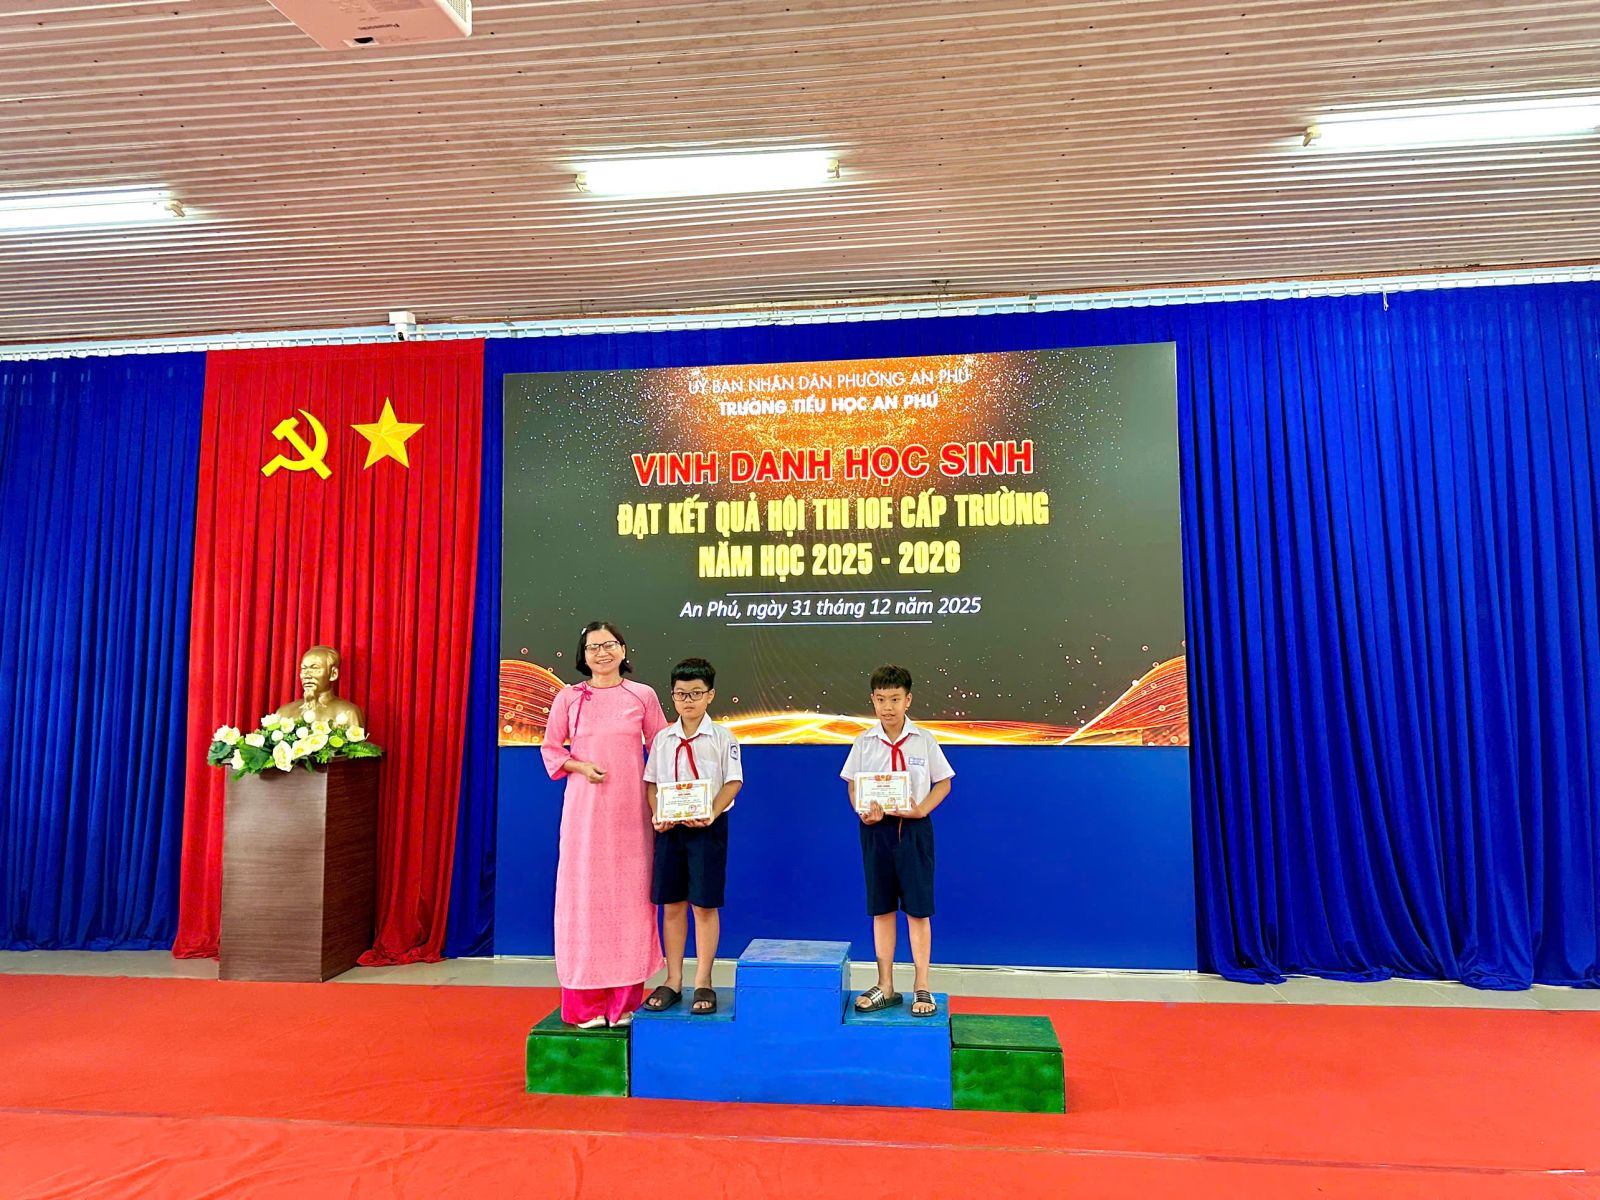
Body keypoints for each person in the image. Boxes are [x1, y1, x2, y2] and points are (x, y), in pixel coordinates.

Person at [540, 621, 668, 1028]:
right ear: (583, 655)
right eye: (593, 647)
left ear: (623, 650)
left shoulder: (642, 695)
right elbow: (551, 748)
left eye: (609, 644)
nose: (602, 653)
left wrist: (671, 800)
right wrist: (579, 766)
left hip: (632, 815)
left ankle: (624, 1003)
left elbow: (662, 748)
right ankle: (585, 1005)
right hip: (585, 816)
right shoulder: (568, 698)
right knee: (583, 901)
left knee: (631, 901)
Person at [840, 664, 954, 1018]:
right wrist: (862, 810)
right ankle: (885, 985)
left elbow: (944, 782)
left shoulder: (924, 740)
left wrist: (921, 810)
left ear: (908, 700)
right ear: (872, 701)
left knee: (918, 910)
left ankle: (922, 984)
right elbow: (853, 784)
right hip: (876, 831)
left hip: (914, 831)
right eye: (880, 699)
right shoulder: (864, 742)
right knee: (882, 908)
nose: (887, 707)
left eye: (894, 699)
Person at [641, 658, 742, 1015]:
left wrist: (711, 812)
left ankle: (704, 981)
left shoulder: (723, 738)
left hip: (707, 830)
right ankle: (673, 980)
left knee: (703, 904)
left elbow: (733, 782)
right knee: (672, 905)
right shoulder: (663, 739)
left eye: (696, 693)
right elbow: (651, 784)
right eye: (681, 694)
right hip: (671, 831)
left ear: (710, 695)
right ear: (672, 696)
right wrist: (658, 813)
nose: (688, 700)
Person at [275, 645, 364, 728]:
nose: (306, 675)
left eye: (315, 668)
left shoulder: (348, 713)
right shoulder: (284, 713)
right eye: (304, 669)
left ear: (333, 674)